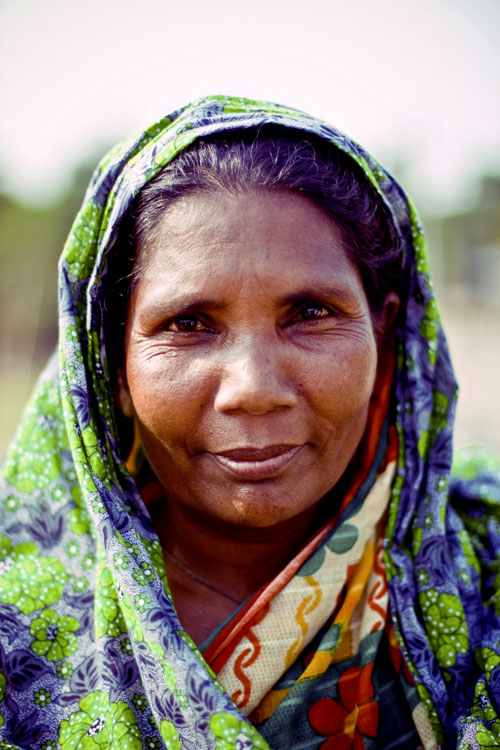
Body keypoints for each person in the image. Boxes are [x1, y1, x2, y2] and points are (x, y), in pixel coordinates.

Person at [0, 95, 499, 750]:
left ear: (386, 335)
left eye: (311, 313)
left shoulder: (483, 573)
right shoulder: (20, 628)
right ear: (113, 369)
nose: (255, 390)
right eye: (189, 324)